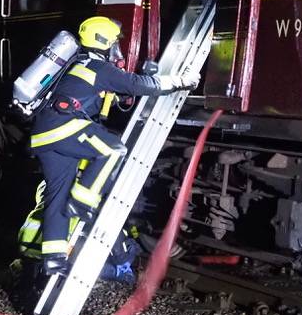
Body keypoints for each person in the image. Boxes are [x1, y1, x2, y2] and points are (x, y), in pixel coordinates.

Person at [29, 16, 197, 276]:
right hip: (63, 128)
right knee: (113, 150)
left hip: (44, 135)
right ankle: (82, 201)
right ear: (104, 42)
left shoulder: (79, 63)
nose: (116, 48)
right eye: (114, 42)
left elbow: (119, 94)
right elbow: (140, 85)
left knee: (56, 197)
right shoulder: (98, 67)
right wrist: (180, 81)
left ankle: (53, 260)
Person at [16, 179, 140, 290]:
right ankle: (126, 278)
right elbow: (115, 244)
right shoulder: (81, 203)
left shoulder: (49, 191)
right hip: (61, 255)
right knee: (118, 265)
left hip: (29, 249)